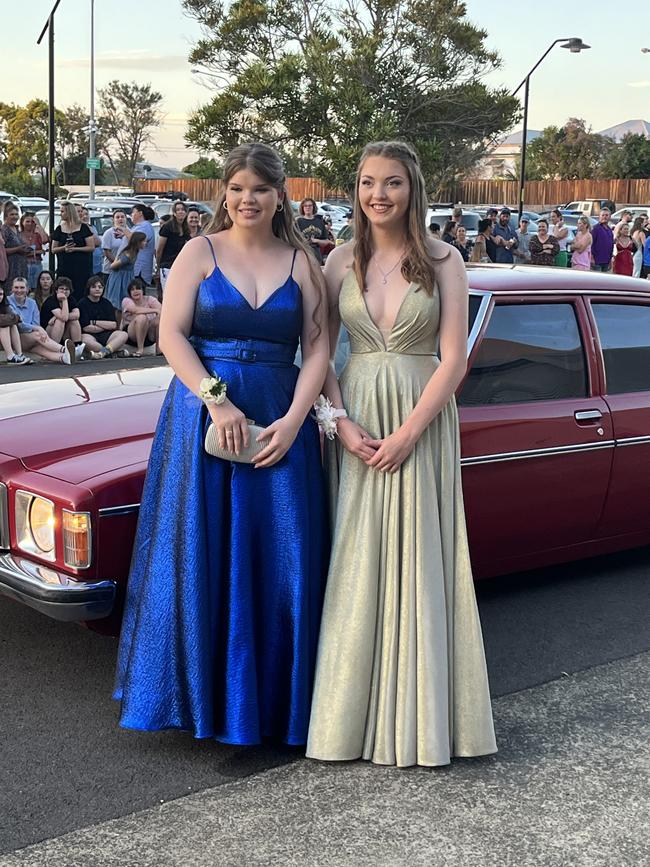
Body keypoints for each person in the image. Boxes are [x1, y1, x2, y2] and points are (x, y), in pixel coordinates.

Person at [114, 142, 329, 748]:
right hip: (205, 420)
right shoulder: (197, 252)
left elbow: (315, 350)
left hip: (280, 418)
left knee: (280, 552)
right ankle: (207, 702)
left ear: (279, 194)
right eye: (236, 189)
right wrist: (216, 397)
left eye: (259, 189)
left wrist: (294, 421)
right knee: (202, 550)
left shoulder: (303, 262)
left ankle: (278, 707)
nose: (247, 200)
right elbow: (173, 336)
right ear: (224, 195)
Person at [306, 140, 497, 768]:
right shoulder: (336, 262)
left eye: (391, 183)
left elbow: (454, 360)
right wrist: (337, 421)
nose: (377, 195)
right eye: (366, 183)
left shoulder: (446, 262)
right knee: (357, 559)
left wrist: (410, 432)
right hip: (356, 422)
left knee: (418, 558)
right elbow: (320, 357)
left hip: (421, 423)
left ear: (412, 189)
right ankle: (345, 720)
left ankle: (420, 721)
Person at [7, 276, 76, 364]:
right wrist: (37, 329)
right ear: (12, 289)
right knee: (37, 334)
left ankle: (63, 357)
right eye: (16, 287)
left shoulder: (32, 303)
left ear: (27, 289)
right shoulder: (8, 301)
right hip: (16, 338)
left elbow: (36, 323)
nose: (19, 290)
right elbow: (19, 325)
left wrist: (37, 329)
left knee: (42, 350)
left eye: (22, 287)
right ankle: (64, 349)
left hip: (31, 338)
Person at [78, 274, 129, 358]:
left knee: (123, 335)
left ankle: (103, 353)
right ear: (89, 289)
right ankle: (110, 353)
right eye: (94, 287)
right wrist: (105, 326)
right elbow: (86, 327)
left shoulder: (107, 303)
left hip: (107, 335)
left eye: (100, 287)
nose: (97, 289)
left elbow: (113, 325)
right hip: (89, 335)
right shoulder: (82, 303)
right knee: (84, 340)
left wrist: (94, 322)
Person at [51, 201, 94, 300]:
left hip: (81, 268)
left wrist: (75, 249)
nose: (60, 214)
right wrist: (64, 248)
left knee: (81, 292)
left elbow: (91, 247)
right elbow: (53, 249)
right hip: (65, 267)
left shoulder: (83, 228)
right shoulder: (59, 229)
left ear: (69, 212)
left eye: (62, 211)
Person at [40, 276, 85, 355]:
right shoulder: (51, 301)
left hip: (64, 331)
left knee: (74, 321)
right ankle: (55, 349)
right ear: (56, 290)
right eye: (61, 288)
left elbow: (77, 315)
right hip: (48, 332)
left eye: (67, 289)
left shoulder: (71, 299)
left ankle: (77, 348)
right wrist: (64, 300)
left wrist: (55, 316)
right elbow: (63, 318)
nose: (64, 291)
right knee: (59, 321)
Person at [104, 231, 147, 314]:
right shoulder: (128, 255)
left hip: (127, 277)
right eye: (144, 241)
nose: (146, 243)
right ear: (138, 242)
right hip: (120, 279)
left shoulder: (135, 252)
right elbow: (112, 266)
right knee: (119, 304)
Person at [120, 278, 161, 356]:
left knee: (159, 320)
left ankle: (158, 350)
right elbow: (135, 310)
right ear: (129, 292)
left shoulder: (150, 299)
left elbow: (161, 310)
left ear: (143, 290)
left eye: (138, 288)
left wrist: (158, 311)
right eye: (132, 290)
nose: (135, 291)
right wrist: (154, 310)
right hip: (131, 335)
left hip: (149, 334)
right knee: (141, 317)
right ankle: (140, 349)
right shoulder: (126, 300)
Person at [156, 201, 189, 290]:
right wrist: (158, 267)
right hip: (167, 266)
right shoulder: (167, 227)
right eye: (178, 210)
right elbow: (159, 249)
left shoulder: (186, 228)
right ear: (174, 213)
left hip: (180, 266)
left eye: (183, 210)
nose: (181, 212)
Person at [0, 283, 32, 364]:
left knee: (12, 325)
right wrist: (16, 318)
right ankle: (10, 356)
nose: (0, 296)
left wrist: (15, 318)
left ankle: (19, 354)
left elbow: (14, 316)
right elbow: (3, 320)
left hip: (3, 337)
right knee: (5, 325)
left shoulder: (4, 305)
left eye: (1, 294)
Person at [1, 202, 29, 289]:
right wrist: (17, 249)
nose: (15, 217)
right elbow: (2, 250)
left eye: (16, 214)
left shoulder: (17, 229)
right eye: (12, 214)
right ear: (6, 216)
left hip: (21, 265)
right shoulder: (4, 229)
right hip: (10, 266)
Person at [128, 204, 156, 287]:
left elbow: (136, 240)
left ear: (140, 213)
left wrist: (124, 231)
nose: (131, 215)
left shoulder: (145, 226)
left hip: (140, 269)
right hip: (134, 268)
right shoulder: (137, 227)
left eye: (133, 212)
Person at [19, 212, 48, 289]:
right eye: (27, 221)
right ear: (22, 222)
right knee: (25, 286)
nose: (30, 224)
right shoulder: (19, 235)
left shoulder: (37, 235)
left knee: (37, 287)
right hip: (24, 264)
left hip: (37, 263)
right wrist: (38, 252)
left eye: (32, 222)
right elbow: (21, 252)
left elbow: (45, 240)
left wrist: (38, 224)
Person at [296, 198, 329, 264]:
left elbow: (326, 241)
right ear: (302, 207)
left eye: (310, 205)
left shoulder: (320, 222)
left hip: (316, 255)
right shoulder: (298, 222)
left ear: (313, 207)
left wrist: (316, 241)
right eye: (305, 206)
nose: (308, 207)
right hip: (302, 254)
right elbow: (292, 240)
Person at [78, 206, 103, 275]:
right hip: (86, 266)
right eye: (82, 215)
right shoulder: (80, 230)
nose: (85, 217)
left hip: (97, 266)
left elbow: (98, 242)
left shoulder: (92, 227)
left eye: (86, 214)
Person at [101, 210, 128, 275]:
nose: (120, 219)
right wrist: (117, 264)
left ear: (126, 218)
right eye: (117, 217)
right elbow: (107, 252)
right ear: (113, 220)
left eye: (122, 217)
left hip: (126, 270)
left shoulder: (130, 232)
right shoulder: (108, 233)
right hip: (110, 270)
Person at [590, 208, 614, 272]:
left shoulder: (609, 230)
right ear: (599, 216)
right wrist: (591, 258)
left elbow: (611, 245)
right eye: (602, 215)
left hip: (606, 261)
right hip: (597, 261)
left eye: (606, 215)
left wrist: (610, 260)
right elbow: (591, 244)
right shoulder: (595, 229)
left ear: (610, 217)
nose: (604, 217)